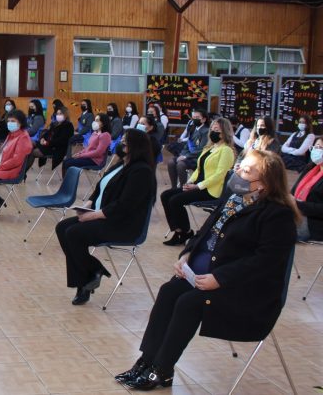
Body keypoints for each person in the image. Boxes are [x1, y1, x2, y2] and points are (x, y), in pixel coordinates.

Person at [118, 150, 299, 390]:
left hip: (245, 291)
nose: (237, 173)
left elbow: (266, 262)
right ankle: (147, 360)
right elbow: (205, 232)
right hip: (208, 276)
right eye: (239, 167)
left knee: (188, 303)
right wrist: (186, 255)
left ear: (265, 184)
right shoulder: (233, 199)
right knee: (169, 291)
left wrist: (220, 279)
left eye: (246, 171)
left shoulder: (278, 215)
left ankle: (162, 369)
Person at [56, 129, 156, 305]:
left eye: (126, 141)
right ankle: (92, 272)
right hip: (104, 216)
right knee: (62, 227)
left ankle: (85, 282)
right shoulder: (121, 165)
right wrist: (88, 204)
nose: (121, 144)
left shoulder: (142, 172)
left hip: (123, 225)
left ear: (137, 147)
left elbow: (125, 206)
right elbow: (100, 188)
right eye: (122, 140)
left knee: (74, 233)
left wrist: (94, 216)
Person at [162, 118, 236, 246]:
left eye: (217, 130)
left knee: (175, 200)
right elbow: (198, 169)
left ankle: (186, 232)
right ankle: (179, 231)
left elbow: (219, 175)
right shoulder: (209, 148)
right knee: (165, 195)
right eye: (212, 129)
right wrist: (189, 183)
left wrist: (197, 186)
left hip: (209, 190)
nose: (213, 132)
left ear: (224, 132)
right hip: (197, 186)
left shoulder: (226, 150)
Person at [167, 109, 209, 189]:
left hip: (198, 158)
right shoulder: (193, 128)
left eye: (197, 117)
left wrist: (185, 157)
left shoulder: (206, 131)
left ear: (203, 119)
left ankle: (183, 188)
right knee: (171, 162)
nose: (195, 119)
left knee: (180, 164)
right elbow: (187, 145)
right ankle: (174, 187)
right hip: (189, 155)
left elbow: (202, 150)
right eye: (193, 117)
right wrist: (182, 154)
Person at [25, 106, 74, 174]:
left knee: (33, 152)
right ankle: (20, 168)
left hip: (56, 148)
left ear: (65, 115)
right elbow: (47, 133)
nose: (58, 115)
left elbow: (61, 141)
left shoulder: (68, 126)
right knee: (30, 143)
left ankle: (23, 173)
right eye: (57, 114)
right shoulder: (55, 124)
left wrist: (47, 143)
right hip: (48, 145)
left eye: (60, 114)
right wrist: (42, 139)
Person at [292, 137, 323, 242]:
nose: (316, 150)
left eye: (320, 147)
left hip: (314, 224)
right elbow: (292, 192)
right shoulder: (310, 168)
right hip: (296, 214)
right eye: (315, 147)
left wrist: (299, 205)